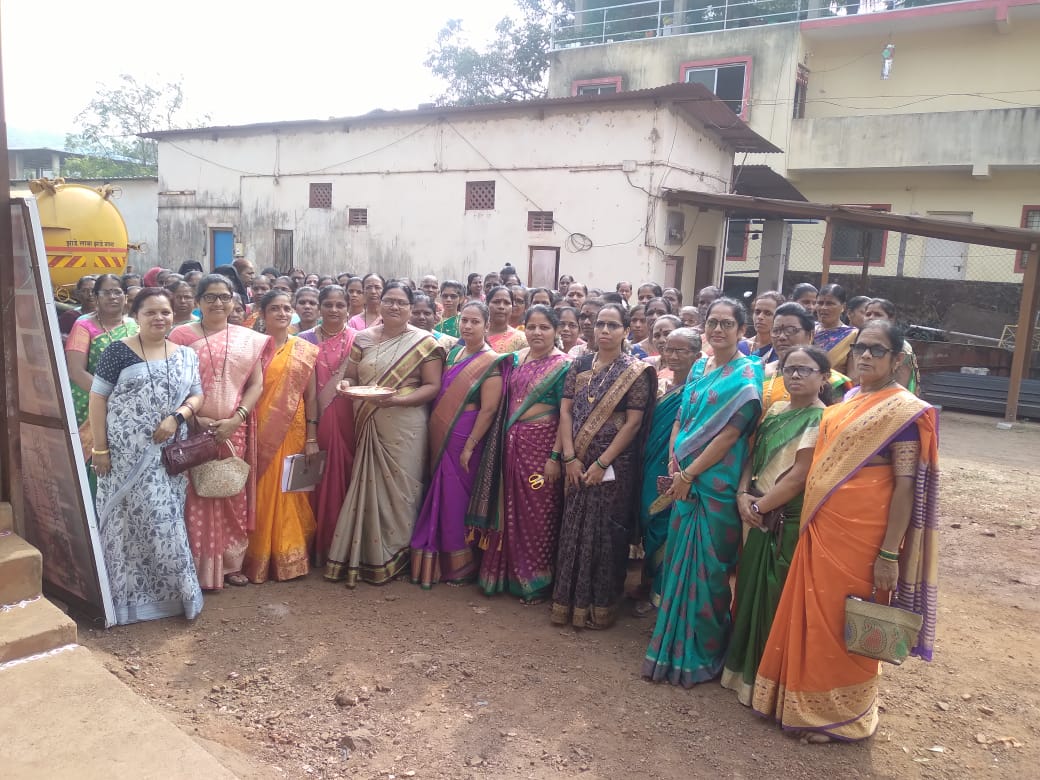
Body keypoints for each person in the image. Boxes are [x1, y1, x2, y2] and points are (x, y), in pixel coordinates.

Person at [753, 321, 939, 742]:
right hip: (822, 524)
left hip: (863, 534)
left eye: (878, 350)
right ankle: (797, 700)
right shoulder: (850, 398)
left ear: (897, 359)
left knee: (843, 618)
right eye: (861, 349)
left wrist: (890, 553)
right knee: (811, 613)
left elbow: (906, 486)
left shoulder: (903, 412)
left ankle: (843, 717)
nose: (866, 356)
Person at [642, 298, 762, 686]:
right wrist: (676, 459)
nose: (719, 329)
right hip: (684, 477)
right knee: (679, 558)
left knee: (709, 570)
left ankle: (703, 653)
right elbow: (682, 416)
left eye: (728, 324)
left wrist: (691, 472)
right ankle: (671, 646)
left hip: (715, 483)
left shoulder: (746, 374)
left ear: (742, 331)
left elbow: (730, 434)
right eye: (713, 322)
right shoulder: (699, 365)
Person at [720, 346, 830, 705]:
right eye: (790, 369)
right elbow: (752, 455)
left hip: (782, 515)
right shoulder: (776, 411)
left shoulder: (821, 420)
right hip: (754, 506)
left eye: (806, 370)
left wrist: (760, 505)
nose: (795, 375)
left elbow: (799, 475)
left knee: (772, 595)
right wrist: (741, 494)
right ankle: (739, 672)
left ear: (824, 378)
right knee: (747, 589)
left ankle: (766, 682)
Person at [88, 288, 204, 624]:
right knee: (126, 525)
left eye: (165, 312)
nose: (159, 318)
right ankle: (124, 602)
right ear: (135, 316)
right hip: (123, 457)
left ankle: (173, 597)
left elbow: (196, 395)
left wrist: (176, 417)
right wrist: (100, 449)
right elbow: (98, 400)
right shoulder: (117, 353)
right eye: (150, 312)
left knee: (165, 524)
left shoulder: (184, 354)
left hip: (168, 457)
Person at [325, 283, 445, 586]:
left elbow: (431, 387)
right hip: (368, 418)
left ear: (409, 307)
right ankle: (366, 554)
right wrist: (344, 386)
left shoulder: (425, 342)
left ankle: (397, 556)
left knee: (402, 490)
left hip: (405, 423)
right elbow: (351, 376)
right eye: (389, 301)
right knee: (367, 483)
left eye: (401, 303)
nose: (394, 307)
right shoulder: (362, 339)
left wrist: (396, 400)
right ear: (378, 303)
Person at [552, 303, 656, 629]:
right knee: (573, 528)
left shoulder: (635, 371)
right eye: (600, 324)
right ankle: (567, 603)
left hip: (614, 466)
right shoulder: (580, 364)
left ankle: (599, 605)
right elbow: (566, 412)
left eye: (613, 325)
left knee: (605, 532)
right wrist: (569, 457)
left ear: (626, 330)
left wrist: (601, 462)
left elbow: (633, 424)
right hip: (576, 460)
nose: (605, 331)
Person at [169, 275, 272, 589]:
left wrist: (236, 419)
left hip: (232, 429)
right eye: (210, 297)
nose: (217, 303)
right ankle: (193, 565)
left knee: (230, 493)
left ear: (234, 301)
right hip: (190, 428)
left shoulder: (247, 338)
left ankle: (229, 564)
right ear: (198, 302)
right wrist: (193, 416)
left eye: (224, 297)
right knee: (191, 497)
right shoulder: (181, 335)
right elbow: (171, 382)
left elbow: (256, 384)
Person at [472, 305, 570, 603]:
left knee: (538, 512)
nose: (537, 333)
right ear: (523, 329)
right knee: (507, 506)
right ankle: (503, 575)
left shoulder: (564, 365)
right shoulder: (515, 360)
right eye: (532, 327)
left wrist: (556, 457)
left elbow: (567, 415)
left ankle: (535, 581)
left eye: (544, 327)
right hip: (510, 444)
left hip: (542, 450)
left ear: (556, 331)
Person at [410, 301, 506, 589]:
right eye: (464, 320)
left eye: (475, 322)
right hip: (442, 429)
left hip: (467, 434)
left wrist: (470, 446)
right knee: (440, 490)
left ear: (486, 325)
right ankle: (440, 556)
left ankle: (462, 565)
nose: (468, 326)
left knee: (457, 498)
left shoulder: (492, 362)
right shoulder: (453, 352)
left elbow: (488, 410)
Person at [242, 290, 319, 583]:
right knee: (259, 489)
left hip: (293, 427)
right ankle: (256, 556)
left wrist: (312, 435)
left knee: (288, 489)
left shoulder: (305, 349)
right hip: (258, 426)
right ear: (263, 313)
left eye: (287, 308)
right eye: (275, 308)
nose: (283, 313)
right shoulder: (252, 347)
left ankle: (290, 555)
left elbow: (311, 396)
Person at [634, 327, 702, 615]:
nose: (672, 355)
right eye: (669, 349)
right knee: (648, 521)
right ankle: (647, 580)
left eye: (681, 350)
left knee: (666, 525)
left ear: (697, 355)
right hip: (648, 461)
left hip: (676, 466)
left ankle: (661, 594)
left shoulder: (700, 390)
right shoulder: (658, 383)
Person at [298, 285, 357, 566]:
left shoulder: (360, 340)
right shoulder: (303, 340)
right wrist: (310, 431)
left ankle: (342, 544)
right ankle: (313, 547)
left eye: (339, 305)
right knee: (314, 481)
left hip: (350, 419)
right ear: (320, 308)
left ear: (348, 308)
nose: (334, 310)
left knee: (345, 477)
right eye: (328, 305)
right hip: (313, 419)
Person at [65, 274, 139, 493]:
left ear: (125, 297)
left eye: (117, 292)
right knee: (92, 462)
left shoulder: (135, 326)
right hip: (90, 404)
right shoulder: (84, 326)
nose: (112, 297)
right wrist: (109, 398)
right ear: (95, 297)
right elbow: (76, 371)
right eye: (106, 292)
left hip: (130, 408)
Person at [763, 303, 852, 413]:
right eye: (776, 331)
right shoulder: (759, 371)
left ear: (810, 335)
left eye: (790, 330)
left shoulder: (829, 380)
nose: (781, 337)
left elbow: (835, 420)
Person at [862, 298, 920, 393]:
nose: (871, 317)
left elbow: (901, 385)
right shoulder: (860, 341)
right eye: (868, 314)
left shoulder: (901, 347)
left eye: (878, 314)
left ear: (891, 319)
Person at [813, 283, 857, 374]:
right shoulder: (808, 330)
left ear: (843, 307)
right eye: (820, 303)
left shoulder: (852, 335)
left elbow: (853, 375)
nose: (823, 308)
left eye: (830, 303)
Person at [486, 285, 528, 353]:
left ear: (512, 307)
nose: (501, 306)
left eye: (506, 303)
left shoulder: (521, 339)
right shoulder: (475, 333)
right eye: (496, 302)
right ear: (487, 304)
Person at [745, 291, 784, 361]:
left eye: (768, 313)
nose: (760, 317)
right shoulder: (740, 347)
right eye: (757, 312)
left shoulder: (782, 350)